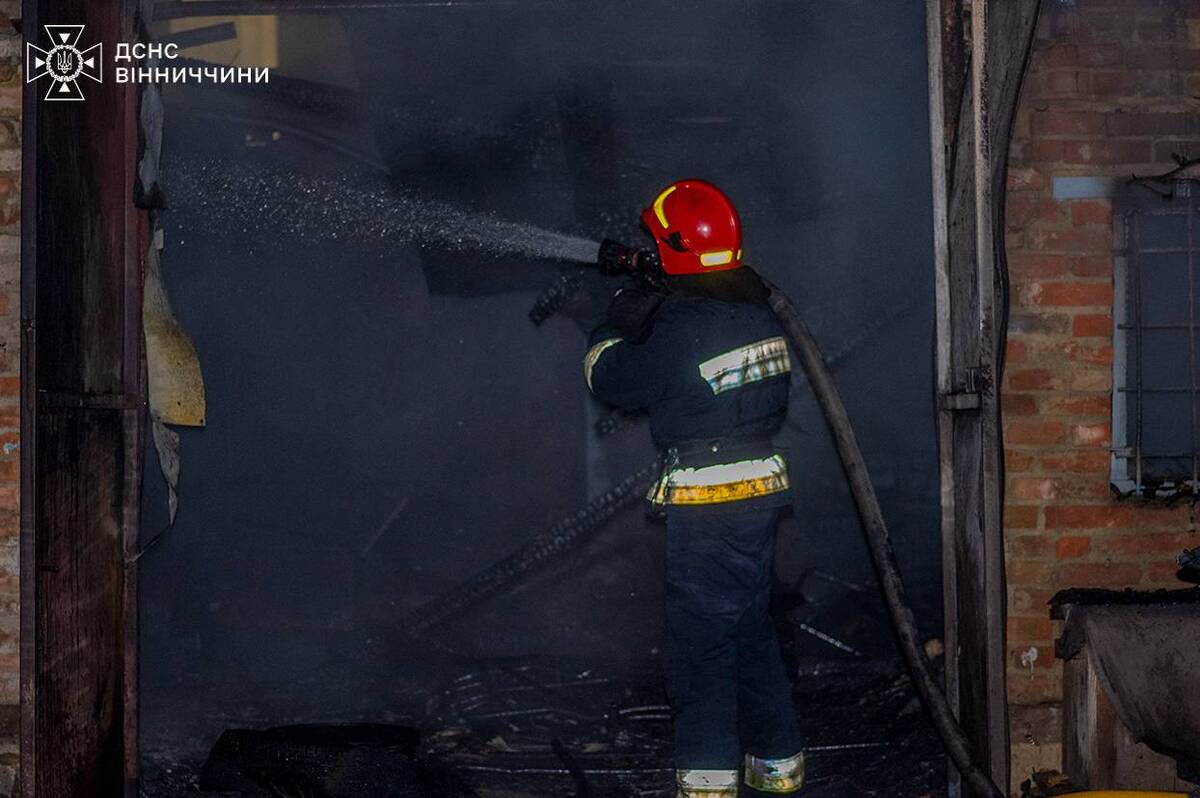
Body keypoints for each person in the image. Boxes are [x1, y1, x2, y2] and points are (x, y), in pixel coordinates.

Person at [584, 180, 805, 797]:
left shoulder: (682, 328)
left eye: (657, 244)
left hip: (708, 511)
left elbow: (612, 380)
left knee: (700, 652)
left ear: (676, 250)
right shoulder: (757, 310)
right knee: (751, 632)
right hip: (759, 498)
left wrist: (611, 324)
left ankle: (707, 785)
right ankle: (778, 772)